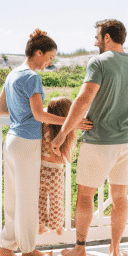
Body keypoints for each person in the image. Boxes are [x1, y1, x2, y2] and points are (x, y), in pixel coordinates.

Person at [0, 30, 86, 256]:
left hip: (12, 140)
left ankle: (6, 246)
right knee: (27, 199)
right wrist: (71, 121)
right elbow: (38, 115)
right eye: (50, 56)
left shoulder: (13, 74)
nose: (50, 61)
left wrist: (21, 115)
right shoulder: (32, 77)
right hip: (27, 143)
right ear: (38, 52)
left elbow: (1, 109)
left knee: (14, 196)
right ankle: (28, 250)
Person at [53, 19, 128, 256]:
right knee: (120, 197)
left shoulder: (98, 62)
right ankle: (115, 250)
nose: (95, 40)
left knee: (86, 196)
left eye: (98, 36)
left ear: (108, 37)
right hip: (127, 141)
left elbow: (84, 99)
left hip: (99, 140)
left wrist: (63, 132)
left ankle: (80, 247)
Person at [39, 97, 75, 236]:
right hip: (55, 171)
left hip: (41, 169)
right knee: (56, 200)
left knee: (41, 199)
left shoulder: (43, 126)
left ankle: (40, 225)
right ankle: (57, 226)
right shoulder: (63, 132)